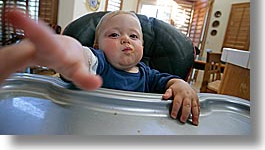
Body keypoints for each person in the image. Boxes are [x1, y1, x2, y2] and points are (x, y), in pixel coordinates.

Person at [1, 9, 199, 125]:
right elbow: (83, 60)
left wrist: (180, 84)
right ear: (97, 45)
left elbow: (168, 81)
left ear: (143, 47)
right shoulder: (99, 62)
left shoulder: (148, 75)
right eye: (114, 35)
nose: (125, 40)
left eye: (134, 36)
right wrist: (71, 53)